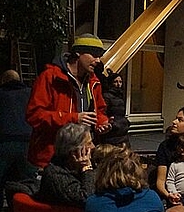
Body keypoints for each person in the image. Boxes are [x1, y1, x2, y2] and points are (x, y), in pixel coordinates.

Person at [26, 33, 110, 170]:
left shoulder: (93, 82)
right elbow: (34, 115)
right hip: (50, 159)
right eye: (94, 55)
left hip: (81, 159)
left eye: (100, 56)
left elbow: (99, 111)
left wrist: (101, 123)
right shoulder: (50, 77)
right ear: (78, 53)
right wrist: (74, 118)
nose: (98, 60)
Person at [35, 123, 96, 207]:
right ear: (74, 150)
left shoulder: (84, 164)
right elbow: (86, 199)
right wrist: (87, 169)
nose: (93, 146)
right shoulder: (55, 173)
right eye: (89, 143)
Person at [0, 70, 33, 184]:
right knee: (27, 182)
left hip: (4, 141)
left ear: (3, 81)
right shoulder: (31, 93)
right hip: (28, 141)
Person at [96, 72, 130, 147]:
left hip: (121, 130)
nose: (118, 84)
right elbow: (103, 112)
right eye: (116, 81)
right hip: (113, 131)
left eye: (120, 82)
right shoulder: (107, 96)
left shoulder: (120, 95)